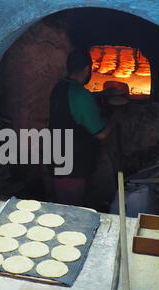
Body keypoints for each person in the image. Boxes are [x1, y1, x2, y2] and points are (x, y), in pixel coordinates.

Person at [49, 50, 117, 206]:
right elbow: (102, 134)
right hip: (74, 163)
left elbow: (73, 105)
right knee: (70, 207)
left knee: (61, 199)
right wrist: (115, 119)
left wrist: (100, 94)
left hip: (57, 154)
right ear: (87, 69)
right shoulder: (81, 96)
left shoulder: (59, 87)